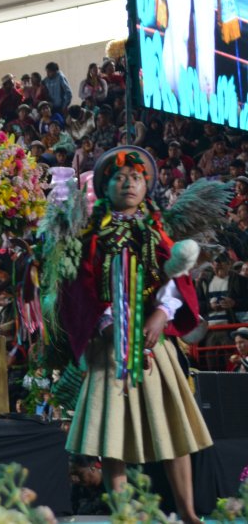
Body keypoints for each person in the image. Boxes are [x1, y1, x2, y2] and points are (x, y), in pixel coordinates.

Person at [56, 145, 211, 524]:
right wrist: (109, 324)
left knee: (174, 430)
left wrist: (160, 314)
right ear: (105, 187)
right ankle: (125, 513)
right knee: (112, 437)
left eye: (136, 178)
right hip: (109, 346)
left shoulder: (157, 233)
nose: (128, 183)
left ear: (147, 187)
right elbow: (81, 287)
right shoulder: (92, 236)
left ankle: (188, 511)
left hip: (153, 345)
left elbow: (176, 279)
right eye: (119, 178)